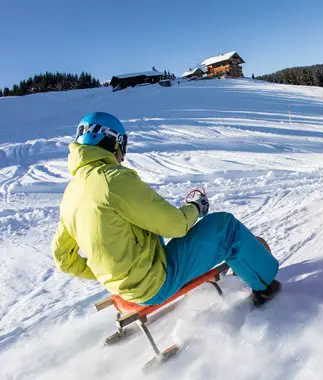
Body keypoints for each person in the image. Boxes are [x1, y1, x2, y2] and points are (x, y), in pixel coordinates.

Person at [52, 112, 280, 307]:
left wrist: (106, 273)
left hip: (124, 286)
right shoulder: (113, 180)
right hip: (153, 284)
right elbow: (176, 226)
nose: (122, 155)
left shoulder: (71, 193)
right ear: (112, 141)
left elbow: (63, 258)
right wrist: (195, 208)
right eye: (122, 146)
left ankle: (243, 270)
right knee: (225, 227)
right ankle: (266, 286)